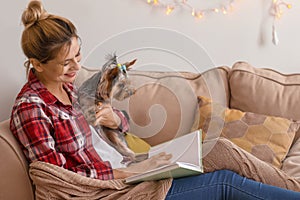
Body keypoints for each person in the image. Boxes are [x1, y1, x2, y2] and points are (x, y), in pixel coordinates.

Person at [10, 1, 300, 199]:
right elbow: (58, 177)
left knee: (221, 149)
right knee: (225, 182)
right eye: (65, 63)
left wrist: (115, 119)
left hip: (133, 167)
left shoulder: (71, 89)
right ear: (37, 64)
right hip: (115, 190)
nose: (75, 67)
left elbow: (114, 128)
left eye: (77, 56)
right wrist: (124, 172)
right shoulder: (31, 108)